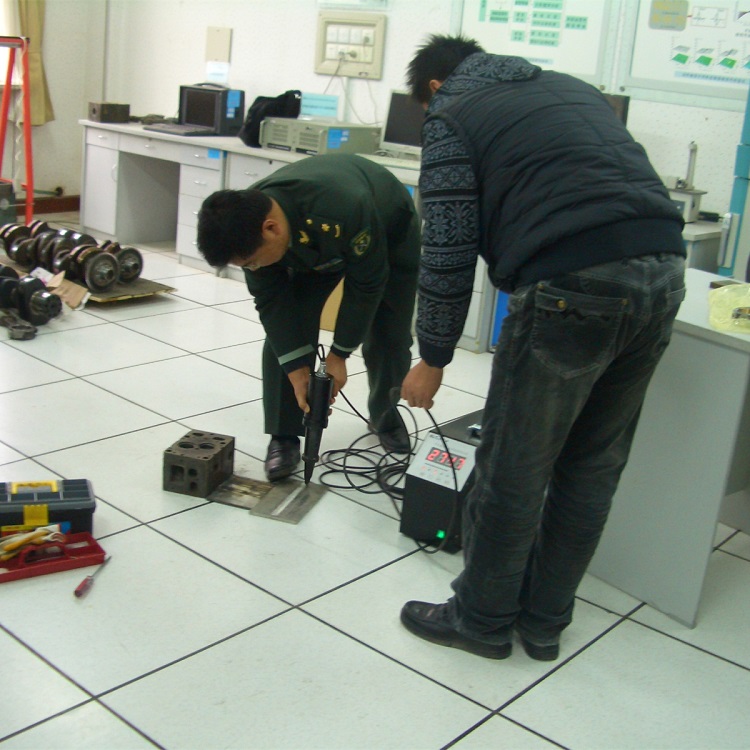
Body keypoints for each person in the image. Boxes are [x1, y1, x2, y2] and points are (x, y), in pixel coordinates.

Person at [398, 34, 686, 661]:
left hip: (572, 283)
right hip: (664, 273)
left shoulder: (451, 114)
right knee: (592, 466)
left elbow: (447, 248)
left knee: (515, 468)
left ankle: (480, 621)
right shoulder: (573, 89)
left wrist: (433, 356)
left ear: (436, 88)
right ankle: (545, 621)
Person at [197, 153, 420, 481]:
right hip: (309, 246)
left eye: (252, 263)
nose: (252, 269)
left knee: (391, 332)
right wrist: (296, 370)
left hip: (387, 228)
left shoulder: (344, 207)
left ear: (271, 228)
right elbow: (272, 305)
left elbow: (366, 285)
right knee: (288, 335)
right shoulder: (247, 227)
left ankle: (385, 417)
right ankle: (284, 436)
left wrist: (339, 355)